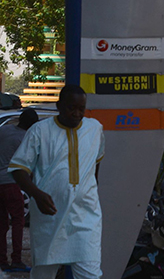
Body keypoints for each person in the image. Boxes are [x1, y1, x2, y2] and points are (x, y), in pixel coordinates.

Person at [10, 86, 105, 279]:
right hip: (50, 217)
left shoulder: (95, 129)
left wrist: (88, 189)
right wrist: (36, 194)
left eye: (81, 109)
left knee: (90, 275)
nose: (77, 113)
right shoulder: (40, 131)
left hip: (86, 216)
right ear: (59, 106)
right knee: (43, 274)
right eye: (71, 108)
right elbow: (19, 168)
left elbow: (96, 161)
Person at [0, 109, 38, 271]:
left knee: (2, 224)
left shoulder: (4, 130)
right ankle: (16, 260)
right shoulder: (26, 139)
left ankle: (2, 261)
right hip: (11, 182)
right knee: (18, 221)